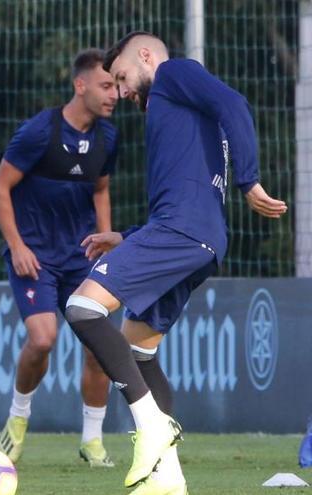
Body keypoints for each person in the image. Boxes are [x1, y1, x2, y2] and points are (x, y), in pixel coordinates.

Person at [62, 32, 287, 494]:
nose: (121, 92)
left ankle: (153, 426)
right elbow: (188, 193)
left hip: (182, 233)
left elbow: (236, 104)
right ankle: (169, 479)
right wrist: (126, 237)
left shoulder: (174, 74)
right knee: (139, 352)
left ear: (146, 56)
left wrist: (249, 181)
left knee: (82, 308)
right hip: (197, 238)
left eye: (122, 77)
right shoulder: (175, 112)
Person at [0, 49, 118, 467]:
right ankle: (18, 420)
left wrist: (104, 241)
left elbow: (100, 189)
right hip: (36, 256)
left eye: (116, 85)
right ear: (80, 85)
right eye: (105, 85)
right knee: (43, 339)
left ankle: (93, 441)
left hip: (80, 256)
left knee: (100, 345)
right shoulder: (38, 132)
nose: (114, 93)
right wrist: (17, 246)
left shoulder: (108, 136)